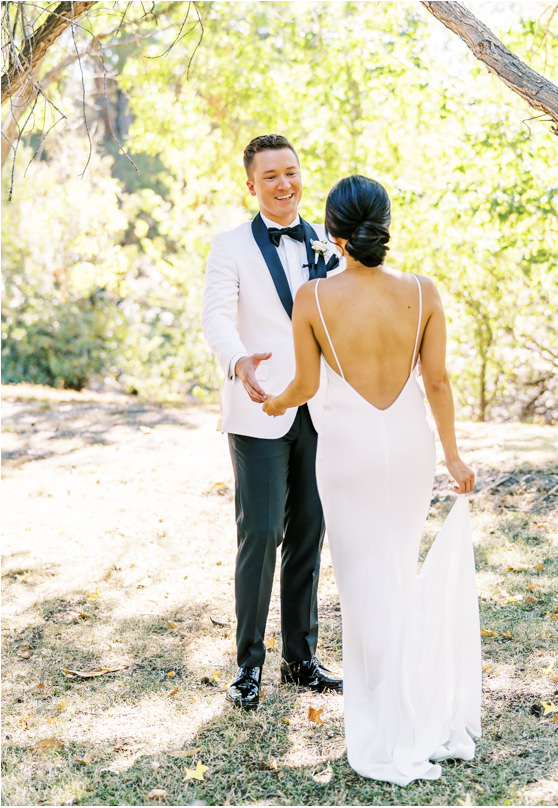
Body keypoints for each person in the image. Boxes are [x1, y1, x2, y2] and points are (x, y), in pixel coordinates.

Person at [262, 174, 481, 785]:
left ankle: (386, 722)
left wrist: (276, 404)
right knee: (397, 571)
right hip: (409, 443)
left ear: (333, 234)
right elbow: (437, 384)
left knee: (364, 586)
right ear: (384, 224)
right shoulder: (423, 292)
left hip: (350, 449)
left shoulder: (312, 298)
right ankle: (407, 709)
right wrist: (455, 458)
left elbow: (306, 388)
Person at [202, 134, 344, 710]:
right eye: (271, 176)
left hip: (320, 409)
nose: (285, 184)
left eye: (292, 172)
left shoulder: (328, 244)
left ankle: (302, 659)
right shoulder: (230, 246)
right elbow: (215, 315)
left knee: (309, 532)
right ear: (251, 184)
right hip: (257, 408)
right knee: (260, 535)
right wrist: (238, 361)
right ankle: (248, 665)